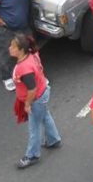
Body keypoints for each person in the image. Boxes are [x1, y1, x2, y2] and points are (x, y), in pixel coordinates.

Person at [12, 34, 61, 169]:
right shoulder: (32, 54)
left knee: (34, 127)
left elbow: (31, 90)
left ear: (21, 49)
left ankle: (32, 155)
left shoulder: (24, 68)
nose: (9, 48)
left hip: (37, 98)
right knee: (45, 116)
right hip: (43, 91)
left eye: (13, 46)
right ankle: (53, 139)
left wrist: (27, 104)